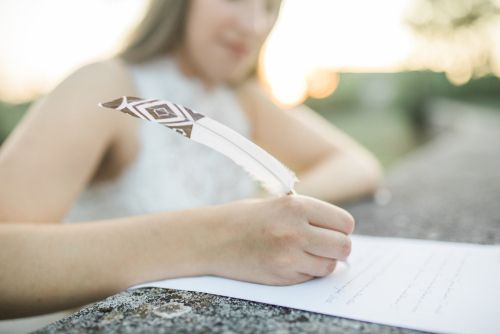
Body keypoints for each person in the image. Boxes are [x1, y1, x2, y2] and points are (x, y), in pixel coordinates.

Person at [0, 0, 382, 320]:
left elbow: (357, 163)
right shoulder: (105, 86)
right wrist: (217, 237)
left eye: (268, 6)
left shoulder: (239, 98)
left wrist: (278, 215)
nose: (254, 24)